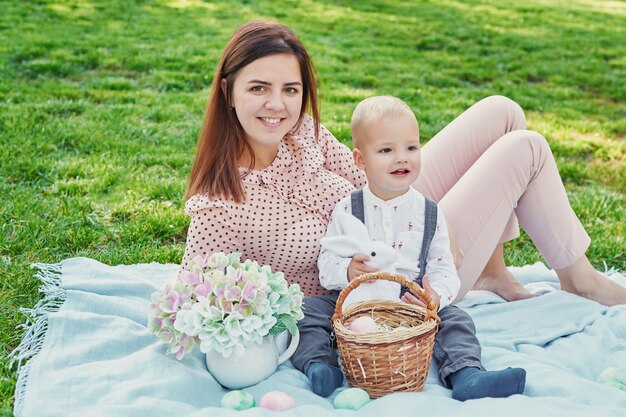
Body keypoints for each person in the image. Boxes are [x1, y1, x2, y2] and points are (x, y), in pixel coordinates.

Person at [181, 18, 626, 393]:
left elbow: (368, 176)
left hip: (399, 209)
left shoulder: (302, 133)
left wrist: (425, 213)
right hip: (395, 281)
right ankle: (581, 280)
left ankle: (492, 269)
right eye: (259, 88)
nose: (278, 105)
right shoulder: (220, 206)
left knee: (503, 111)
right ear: (227, 90)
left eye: (291, 89)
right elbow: (192, 299)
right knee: (525, 149)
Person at [298, 96, 526, 399]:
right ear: (360, 159)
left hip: (410, 303)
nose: (402, 158)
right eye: (386, 150)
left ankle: (466, 374)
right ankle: (320, 366)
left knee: (456, 319)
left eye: (411, 148)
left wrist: (434, 297)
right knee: (308, 310)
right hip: (355, 304)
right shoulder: (347, 209)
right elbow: (327, 263)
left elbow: (443, 267)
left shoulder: (429, 213)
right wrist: (348, 270)